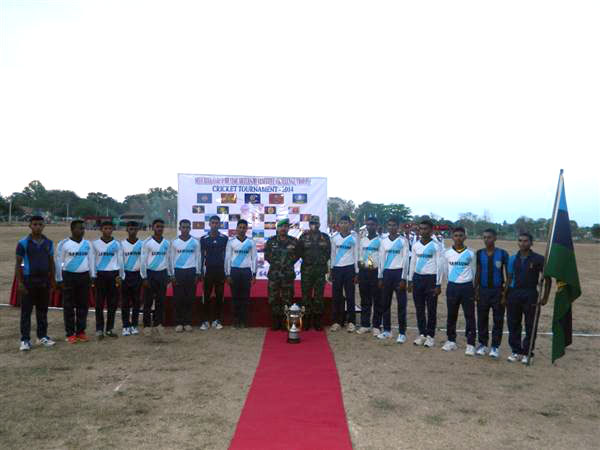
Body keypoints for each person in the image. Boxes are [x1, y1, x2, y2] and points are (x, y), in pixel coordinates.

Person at [504, 232, 551, 364]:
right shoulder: (513, 258)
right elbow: (509, 278)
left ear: (531, 242)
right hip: (514, 294)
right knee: (513, 323)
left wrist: (545, 297)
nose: (522, 243)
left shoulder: (539, 259)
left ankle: (527, 352)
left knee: (531, 325)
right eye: (520, 240)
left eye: (525, 241)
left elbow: (548, 279)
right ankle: (516, 351)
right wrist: (505, 295)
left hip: (530, 294)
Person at [15, 215, 56, 351]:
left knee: (42, 311)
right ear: (30, 226)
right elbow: (18, 264)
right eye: (35, 224)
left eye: (40, 224)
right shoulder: (23, 243)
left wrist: (53, 279)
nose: (37, 227)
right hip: (28, 281)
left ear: (44, 226)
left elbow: (51, 262)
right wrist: (20, 283)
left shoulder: (49, 243)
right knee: (26, 312)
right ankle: (25, 340)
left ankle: (42, 336)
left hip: (44, 281)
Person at [55, 219, 95, 343]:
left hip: (84, 277)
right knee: (69, 306)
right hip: (68, 277)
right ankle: (70, 333)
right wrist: (59, 278)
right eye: (79, 228)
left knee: (83, 306)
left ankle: (81, 332)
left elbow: (91, 260)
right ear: (72, 229)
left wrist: (92, 275)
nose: (82, 231)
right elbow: (58, 262)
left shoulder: (88, 244)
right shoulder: (63, 244)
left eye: (83, 228)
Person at [440, 226, 477, 356]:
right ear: (452, 237)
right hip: (452, 287)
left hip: (467, 287)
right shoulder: (447, 252)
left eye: (461, 235)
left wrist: (474, 288)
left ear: (465, 237)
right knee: (451, 315)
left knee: (470, 316)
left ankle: (471, 344)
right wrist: (449, 282)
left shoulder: (471, 253)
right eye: (456, 235)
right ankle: (451, 340)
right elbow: (445, 269)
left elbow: (474, 271)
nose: (458, 238)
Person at [408, 220, 444, 348]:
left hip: (431, 279)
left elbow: (440, 265)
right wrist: (410, 279)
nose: (423, 231)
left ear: (431, 230)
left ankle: (430, 336)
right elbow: (412, 262)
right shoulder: (416, 245)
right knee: (419, 308)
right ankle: (422, 334)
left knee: (431, 309)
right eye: (421, 228)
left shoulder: (436, 245)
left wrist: (438, 284)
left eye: (426, 229)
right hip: (418, 279)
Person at [474, 228, 509, 358]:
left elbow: (507, 274)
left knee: (498, 319)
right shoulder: (479, 253)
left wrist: (505, 293)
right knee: (482, 318)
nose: (486, 240)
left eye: (489, 237)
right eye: (484, 237)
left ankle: (495, 346)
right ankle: (483, 344)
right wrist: (475, 290)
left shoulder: (503, 254)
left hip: (497, 291)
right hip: (483, 291)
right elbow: (477, 272)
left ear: (495, 238)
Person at [376, 217, 410, 342]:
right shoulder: (383, 241)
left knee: (401, 304)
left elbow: (406, 260)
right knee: (385, 303)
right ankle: (387, 330)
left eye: (394, 225)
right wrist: (380, 276)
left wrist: (403, 278)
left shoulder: (403, 241)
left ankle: (402, 332)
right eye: (389, 225)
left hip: (399, 273)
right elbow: (381, 259)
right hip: (387, 274)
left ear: (398, 226)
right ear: (387, 226)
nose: (392, 227)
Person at [264, 218, 300, 331]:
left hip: (287, 275)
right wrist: (278, 264)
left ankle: (286, 322)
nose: (283, 228)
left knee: (287, 299)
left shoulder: (294, 241)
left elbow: (297, 255)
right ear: (277, 228)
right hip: (274, 274)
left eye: (285, 226)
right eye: (281, 226)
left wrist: (287, 263)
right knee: (273, 298)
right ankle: (275, 322)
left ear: (288, 228)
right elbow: (267, 256)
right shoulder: (271, 241)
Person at [297, 215, 331, 331]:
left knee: (318, 297)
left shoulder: (325, 237)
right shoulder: (303, 237)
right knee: (305, 296)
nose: (314, 225)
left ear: (319, 224)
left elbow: (328, 253)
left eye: (316, 223)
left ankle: (317, 321)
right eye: (312, 223)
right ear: (309, 224)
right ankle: (306, 321)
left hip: (320, 271)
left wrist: (320, 262)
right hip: (307, 271)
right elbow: (299, 252)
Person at [92, 221, 124, 340]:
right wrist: (93, 275)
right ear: (101, 229)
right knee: (99, 303)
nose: (108, 230)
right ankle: (99, 329)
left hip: (113, 275)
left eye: (110, 228)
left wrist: (121, 275)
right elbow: (92, 260)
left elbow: (120, 260)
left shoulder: (117, 244)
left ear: (113, 229)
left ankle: (110, 328)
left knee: (113, 303)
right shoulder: (95, 244)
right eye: (105, 228)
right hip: (100, 275)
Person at [140, 219, 173, 335]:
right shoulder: (147, 242)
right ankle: (147, 325)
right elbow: (143, 261)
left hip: (162, 274)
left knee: (161, 301)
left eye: (161, 227)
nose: (160, 228)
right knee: (148, 302)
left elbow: (169, 260)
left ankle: (158, 324)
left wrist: (170, 274)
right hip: (150, 274)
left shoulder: (167, 243)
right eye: (157, 226)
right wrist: (144, 277)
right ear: (153, 227)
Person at [170, 219, 201, 332]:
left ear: (190, 228)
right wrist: (172, 274)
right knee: (178, 298)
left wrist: (197, 273)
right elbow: (171, 258)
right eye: (183, 227)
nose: (185, 229)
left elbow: (198, 258)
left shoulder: (195, 242)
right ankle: (179, 322)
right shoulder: (174, 242)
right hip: (178, 272)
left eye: (187, 227)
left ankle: (187, 322)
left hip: (191, 272)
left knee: (189, 298)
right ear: (179, 228)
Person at [225, 219, 257, 328]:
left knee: (245, 298)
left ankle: (243, 321)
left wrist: (254, 274)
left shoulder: (251, 242)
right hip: (234, 271)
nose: (242, 229)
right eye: (240, 227)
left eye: (244, 227)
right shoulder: (231, 242)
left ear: (246, 229)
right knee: (235, 298)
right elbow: (227, 259)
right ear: (236, 228)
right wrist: (228, 274)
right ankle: (236, 320)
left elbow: (254, 259)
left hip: (246, 272)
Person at [330, 215, 359, 332]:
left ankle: (351, 322)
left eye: (346, 223)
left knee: (350, 295)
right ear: (338, 224)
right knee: (337, 296)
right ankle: (337, 321)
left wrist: (357, 272)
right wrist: (331, 269)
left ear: (349, 224)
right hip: (337, 269)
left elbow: (356, 255)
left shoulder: (354, 238)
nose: (343, 225)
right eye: (341, 223)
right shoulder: (334, 238)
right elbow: (332, 255)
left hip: (350, 268)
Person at [200, 216, 228, 330]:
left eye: (217, 223)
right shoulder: (204, 238)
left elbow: (227, 256)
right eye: (213, 223)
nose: (215, 225)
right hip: (208, 271)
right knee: (206, 296)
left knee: (219, 296)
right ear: (209, 224)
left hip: (220, 271)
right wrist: (200, 270)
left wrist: (227, 272)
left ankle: (217, 320)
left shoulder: (224, 238)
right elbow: (201, 256)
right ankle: (205, 321)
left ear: (220, 224)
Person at [356, 217, 381, 336]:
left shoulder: (381, 240)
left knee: (377, 300)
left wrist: (380, 274)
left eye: (372, 225)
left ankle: (376, 326)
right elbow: (359, 254)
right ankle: (365, 325)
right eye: (368, 225)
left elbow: (382, 257)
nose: (370, 227)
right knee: (365, 299)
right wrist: (360, 265)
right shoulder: (362, 240)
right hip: (364, 272)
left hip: (375, 273)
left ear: (376, 226)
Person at [121, 221, 143, 336]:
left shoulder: (142, 244)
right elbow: (120, 261)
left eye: (135, 229)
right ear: (127, 230)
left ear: (138, 230)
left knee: (136, 302)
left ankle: (134, 325)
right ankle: (125, 325)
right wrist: (121, 275)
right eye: (130, 229)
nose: (133, 231)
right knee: (125, 302)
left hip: (137, 275)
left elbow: (143, 261)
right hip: (126, 275)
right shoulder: (122, 244)